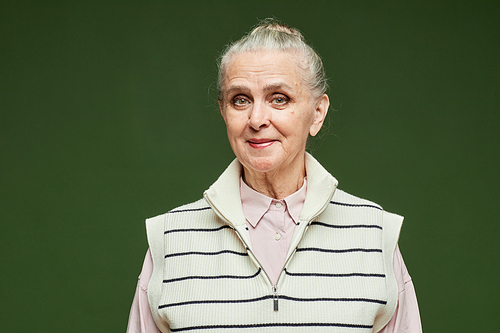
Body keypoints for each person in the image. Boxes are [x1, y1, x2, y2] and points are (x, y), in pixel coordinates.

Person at [127, 19, 422, 333]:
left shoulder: (375, 235)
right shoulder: (170, 240)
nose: (256, 119)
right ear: (224, 111)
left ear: (317, 113)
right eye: (240, 100)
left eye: (279, 98)